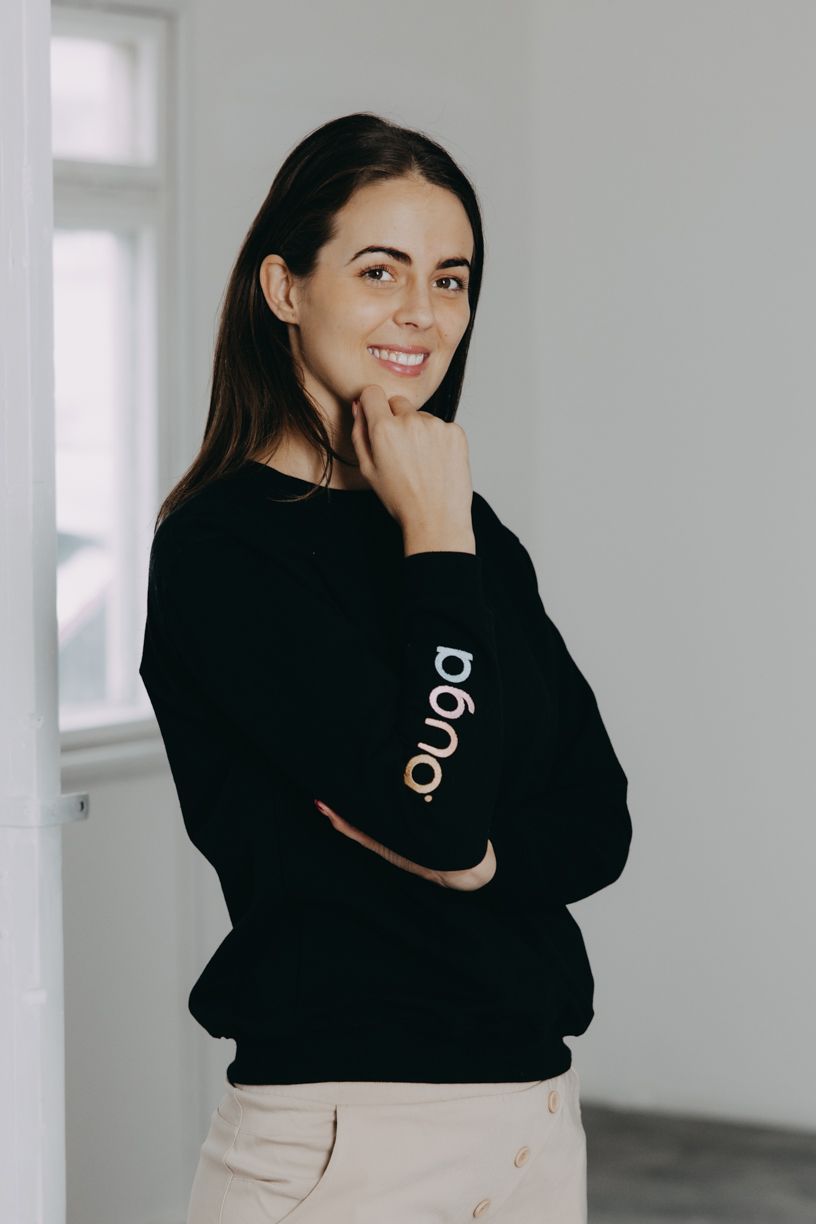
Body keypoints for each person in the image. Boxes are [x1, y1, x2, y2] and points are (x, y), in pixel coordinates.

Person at [139, 111, 632, 1224]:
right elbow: (438, 809)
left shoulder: (467, 529)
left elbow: (600, 822)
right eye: (380, 270)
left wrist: (484, 866)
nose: (423, 311)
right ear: (284, 287)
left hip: (533, 1122)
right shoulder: (226, 550)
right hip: (347, 1141)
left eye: (451, 278)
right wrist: (437, 540)